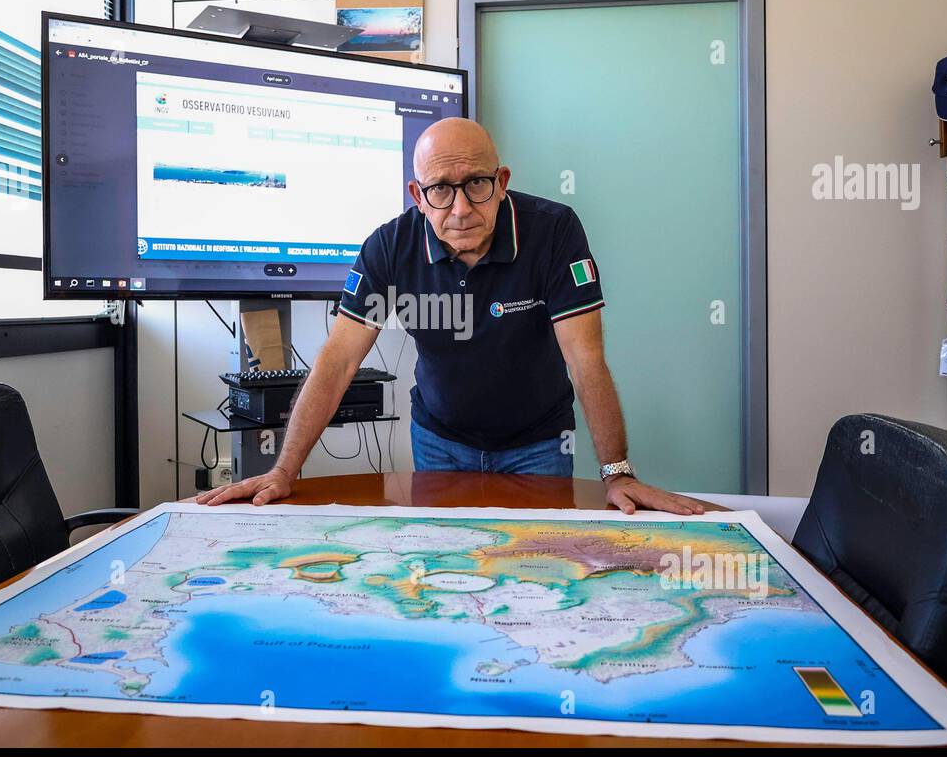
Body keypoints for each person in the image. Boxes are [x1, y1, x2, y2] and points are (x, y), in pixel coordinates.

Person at [197, 118, 704, 516]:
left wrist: (616, 473)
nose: (460, 208)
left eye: (477, 184)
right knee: (448, 566)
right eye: (440, 189)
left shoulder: (553, 232)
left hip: (540, 442)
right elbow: (338, 361)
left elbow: (585, 357)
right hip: (439, 441)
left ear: (502, 182)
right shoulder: (389, 248)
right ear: (418, 196)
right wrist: (285, 469)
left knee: (539, 566)